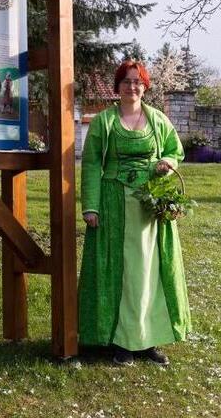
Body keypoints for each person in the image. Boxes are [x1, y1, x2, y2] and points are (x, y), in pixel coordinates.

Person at [78, 60, 191, 367]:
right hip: (114, 205)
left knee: (149, 271)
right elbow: (90, 164)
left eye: (138, 81)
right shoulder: (104, 122)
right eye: (127, 81)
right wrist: (90, 206)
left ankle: (148, 339)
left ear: (145, 86)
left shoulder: (157, 120)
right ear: (118, 86)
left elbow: (175, 151)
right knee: (123, 271)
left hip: (150, 206)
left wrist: (167, 165)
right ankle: (122, 340)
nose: (132, 87)